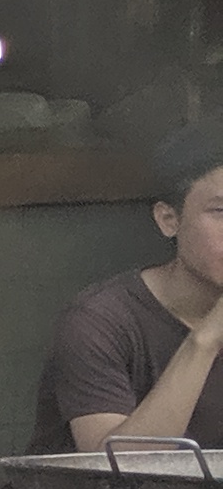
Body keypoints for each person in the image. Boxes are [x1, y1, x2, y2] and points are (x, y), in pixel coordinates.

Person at [32, 118, 223, 452]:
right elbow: (116, 469)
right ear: (168, 219)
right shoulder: (99, 321)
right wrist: (206, 340)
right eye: (221, 211)